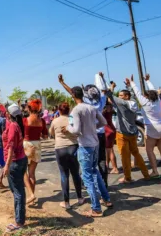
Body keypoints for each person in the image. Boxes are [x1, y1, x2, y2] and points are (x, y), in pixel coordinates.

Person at [60, 74, 112, 218]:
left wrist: (67, 129)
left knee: (88, 176)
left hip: (85, 146)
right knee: (95, 173)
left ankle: (96, 208)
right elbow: (103, 123)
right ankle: (106, 199)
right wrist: (90, 127)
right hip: (95, 143)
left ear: (72, 95)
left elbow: (75, 130)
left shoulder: (76, 110)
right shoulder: (91, 107)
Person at [107, 79, 150, 184]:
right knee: (136, 153)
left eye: (122, 95)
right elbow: (134, 95)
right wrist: (129, 86)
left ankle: (128, 177)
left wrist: (112, 86)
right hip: (133, 132)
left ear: (126, 97)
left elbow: (109, 95)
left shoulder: (123, 104)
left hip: (122, 133)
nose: (120, 97)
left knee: (125, 156)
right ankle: (146, 174)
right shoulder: (133, 103)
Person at [131, 75, 161, 177]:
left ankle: (155, 171)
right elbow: (154, 91)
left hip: (152, 127)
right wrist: (148, 81)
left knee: (149, 150)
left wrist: (132, 83)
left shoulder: (145, 103)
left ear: (147, 97)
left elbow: (137, 92)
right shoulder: (158, 101)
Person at [49, 102, 84, 210]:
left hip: (60, 149)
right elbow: (79, 132)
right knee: (76, 174)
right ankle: (80, 198)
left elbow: (51, 134)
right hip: (73, 147)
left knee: (64, 175)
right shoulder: (72, 119)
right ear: (69, 110)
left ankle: (66, 202)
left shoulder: (55, 121)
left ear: (59, 110)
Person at [2, 104, 27, 233]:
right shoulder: (17, 124)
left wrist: (6, 165)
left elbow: (11, 148)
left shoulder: (12, 126)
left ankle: (19, 221)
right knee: (18, 190)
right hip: (21, 160)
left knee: (17, 192)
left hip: (15, 162)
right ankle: (21, 214)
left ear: (8, 114)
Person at [23, 99, 48, 206]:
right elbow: (45, 136)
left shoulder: (25, 120)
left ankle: (30, 195)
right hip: (37, 145)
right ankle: (31, 197)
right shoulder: (41, 121)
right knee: (32, 173)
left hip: (26, 145)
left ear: (29, 108)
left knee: (23, 171)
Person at [101, 101, 119, 174]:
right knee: (109, 149)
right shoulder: (111, 109)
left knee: (109, 150)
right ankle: (107, 166)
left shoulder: (103, 110)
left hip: (107, 130)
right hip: (111, 128)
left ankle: (115, 168)